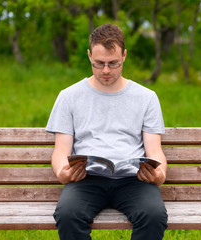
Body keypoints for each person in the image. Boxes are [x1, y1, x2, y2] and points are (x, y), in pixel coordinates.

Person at [46, 23, 168, 240]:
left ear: (125, 56)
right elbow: (60, 150)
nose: (105, 71)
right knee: (67, 214)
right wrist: (62, 172)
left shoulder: (146, 97)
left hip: (134, 180)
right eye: (98, 63)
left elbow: (155, 150)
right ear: (89, 55)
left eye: (113, 64)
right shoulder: (69, 96)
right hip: (86, 178)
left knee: (153, 215)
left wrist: (159, 174)